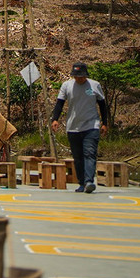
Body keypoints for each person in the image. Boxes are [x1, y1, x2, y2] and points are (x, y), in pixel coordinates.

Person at [50, 62, 109, 193]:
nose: (79, 79)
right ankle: (82, 183)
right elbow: (59, 103)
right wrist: (55, 119)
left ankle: (89, 181)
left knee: (89, 153)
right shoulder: (67, 86)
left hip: (91, 125)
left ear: (86, 76)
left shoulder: (94, 85)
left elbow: (102, 105)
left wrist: (104, 123)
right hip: (73, 127)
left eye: (81, 76)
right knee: (77, 157)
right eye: (76, 76)